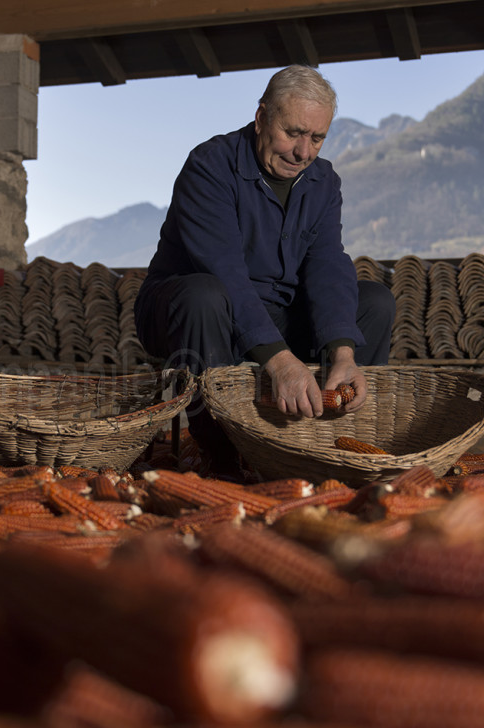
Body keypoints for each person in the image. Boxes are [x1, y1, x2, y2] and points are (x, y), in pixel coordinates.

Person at [134, 64, 395, 471]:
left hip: (274, 309)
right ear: (261, 119)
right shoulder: (209, 166)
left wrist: (343, 352)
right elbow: (224, 272)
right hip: (191, 310)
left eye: (317, 138)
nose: (303, 152)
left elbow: (327, 264)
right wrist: (281, 362)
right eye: (292, 133)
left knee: (374, 301)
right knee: (204, 294)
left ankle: (330, 441)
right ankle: (226, 456)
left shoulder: (324, 182)